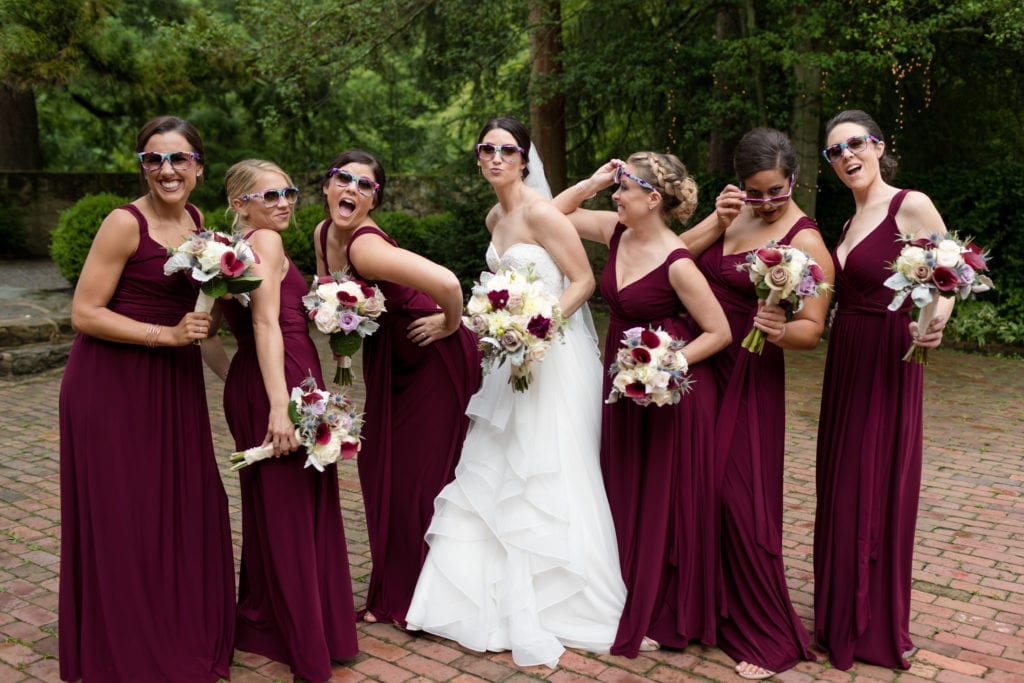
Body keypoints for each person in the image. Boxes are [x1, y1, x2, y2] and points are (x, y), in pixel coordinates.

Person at [405, 116, 626, 668]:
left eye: (508, 149)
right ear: (478, 157)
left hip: (551, 357)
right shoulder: (493, 215)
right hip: (508, 360)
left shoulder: (541, 212)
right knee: (497, 465)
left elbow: (583, 282)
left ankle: (562, 599)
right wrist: (503, 328)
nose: (497, 157)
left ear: (525, 158)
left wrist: (539, 327)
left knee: (548, 465)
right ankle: (484, 599)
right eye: (487, 149)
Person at [58, 116, 234, 681]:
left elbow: (201, 321)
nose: (166, 170)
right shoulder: (122, 224)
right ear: (142, 167)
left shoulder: (200, 223)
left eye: (178, 158)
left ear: (198, 168)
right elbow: (84, 313)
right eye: (153, 159)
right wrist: (164, 336)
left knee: (181, 504)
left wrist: (241, 382)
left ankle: (174, 623)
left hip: (173, 386)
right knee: (126, 512)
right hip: (112, 384)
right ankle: (126, 642)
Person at [553, 152, 731, 658]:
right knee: (622, 485)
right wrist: (593, 181)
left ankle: (664, 608)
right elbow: (553, 214)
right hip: (620, 380)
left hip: (665, 390)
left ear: (653, 200)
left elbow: (719, 332)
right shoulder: (614, 232)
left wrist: (664, 363)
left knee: (661, 497)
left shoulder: (678, 263)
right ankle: (621, 591)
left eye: (625, 188)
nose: (617, 196)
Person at [201, 159, 359, 681]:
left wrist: (237, 380)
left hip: (263, 379)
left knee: (278, 510)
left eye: (288, 192)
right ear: (240, 202)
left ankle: (271, 621)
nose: (285, 203)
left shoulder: (230, 253)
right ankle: (306, 642)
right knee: (292, 512)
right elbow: (266, 323)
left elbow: (207, 330)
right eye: (270, 196)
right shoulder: (263, 244)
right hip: (281, 387)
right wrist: (275, 405)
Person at [683, 128, 832, 679]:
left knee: (741, 498)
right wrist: (718, 220)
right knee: (698, 489)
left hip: (750, 375)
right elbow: (670, 256)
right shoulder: (733, 215)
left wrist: (778, 329)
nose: (767, 203)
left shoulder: (808, 240)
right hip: (704, 369)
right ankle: (704, 613)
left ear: (794, 179)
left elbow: (812, 331)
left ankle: (767, 632)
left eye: (776, 190)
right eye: (755, 192)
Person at [313, 149, 481, 628]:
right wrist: (341, 344)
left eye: (365, 185)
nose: (352, 189)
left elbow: (449, 282)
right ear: (326, 186)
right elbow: (335, 292)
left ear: (374, 199)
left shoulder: (366, 245)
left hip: (433, 357)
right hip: (392, 358)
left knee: (417, 476)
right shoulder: (324, 233)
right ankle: (401, 585)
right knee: (385, 466)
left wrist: (450, 324)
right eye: (343, 178)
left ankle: (421, 596)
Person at [814, 109, 951, 671]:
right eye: (834, 152)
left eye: (854, 144)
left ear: (877, 145)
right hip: (845, 357)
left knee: (871, 481)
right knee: (841, 481)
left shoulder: (908, 204)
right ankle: (837, 614)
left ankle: (871, 624)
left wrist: (936, 319)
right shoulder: (847, 224)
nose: (846, 156)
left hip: (890, 355)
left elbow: (948, 272)